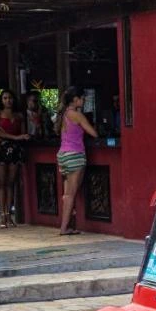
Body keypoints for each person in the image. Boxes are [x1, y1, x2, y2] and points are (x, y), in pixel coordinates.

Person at [55, 86, 98, 235]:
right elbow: (93, 133)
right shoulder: (77, 115)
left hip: (63, 155)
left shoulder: (64, 114)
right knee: (71, 194)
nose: (84, 99)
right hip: (75, 155)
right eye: (82, 97)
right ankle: (64, 227)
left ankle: (67, 225)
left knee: (67, 193)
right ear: (75, 99)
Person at [0, 89, 30, 229]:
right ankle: (2, 216)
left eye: (10, 98)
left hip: (14, 150)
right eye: (5, 98)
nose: (8, 100)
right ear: (1, 100)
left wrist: (21, 137)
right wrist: (15, 137)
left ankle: (9, 214)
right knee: (1, 183)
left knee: (10, 183)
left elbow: (23, 133)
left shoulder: (19, 115)